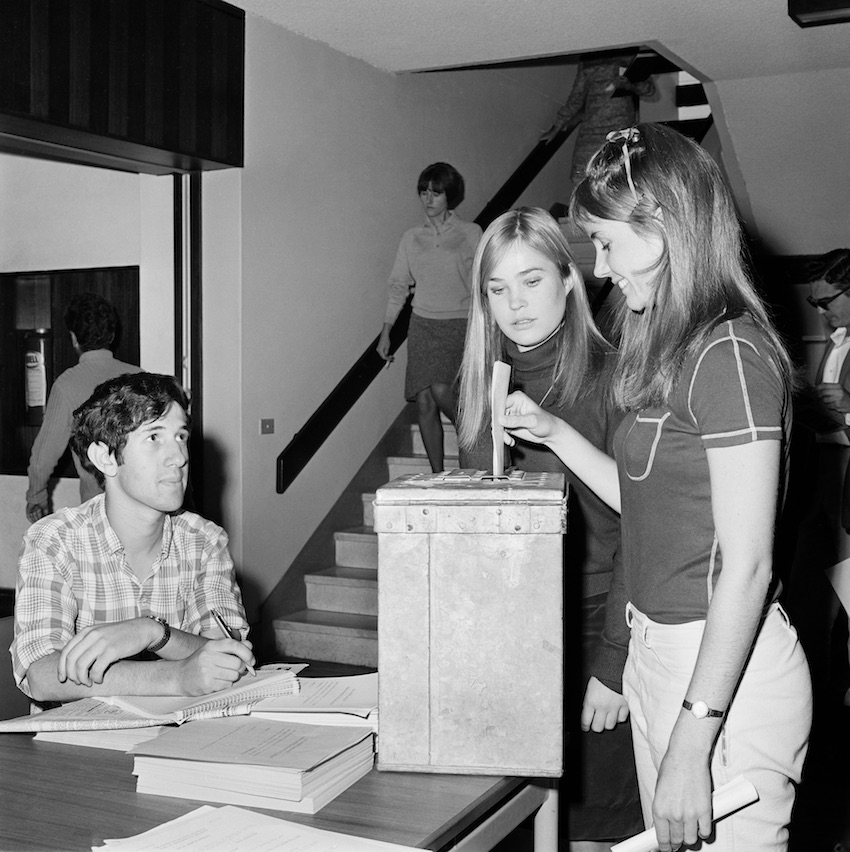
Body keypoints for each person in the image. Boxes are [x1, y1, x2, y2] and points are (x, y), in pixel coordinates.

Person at [499, 124, 812, 851]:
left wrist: (692, 741)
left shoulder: (730, 352)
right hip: (657, 649)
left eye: (607, 243)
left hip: (718, 668)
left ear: (666, 226)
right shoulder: (673, 344)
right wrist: (553, 431)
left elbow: (751, 566)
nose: (600, 269)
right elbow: (640, 502)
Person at [457, 207, 642, 850]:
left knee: (598, 831)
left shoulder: (615, 374)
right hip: (517, 629)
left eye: (532, 281)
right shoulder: (482, 382)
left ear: (569, 279)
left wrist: (615, 664)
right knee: (516, 822)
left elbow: (646, 531)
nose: (515, 304)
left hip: (600, 617)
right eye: (497, 289)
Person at [12, 372, 254, 704]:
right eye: (154, 437)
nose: (180, 457)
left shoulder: (205, 542)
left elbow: (231, 657)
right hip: (78, 748)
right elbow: (41, 675)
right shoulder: (54, 541)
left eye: (180, 436)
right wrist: (177, 677)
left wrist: (152, 633)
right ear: (105, 458)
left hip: (177, 741)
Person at [377, 162, 482, 472]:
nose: (428, 199)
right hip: (422, 324)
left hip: (459, 324)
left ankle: (477, 442)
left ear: (450, 196)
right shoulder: (411, 237)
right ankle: (439, 476)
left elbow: (484, 281)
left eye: (436, 193)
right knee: (423, 401)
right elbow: (399, 286)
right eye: (424, 192)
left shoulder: (471, 232)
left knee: (441, 392)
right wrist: (386, 331)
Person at [25, 291, 143, 523]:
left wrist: (36, 496)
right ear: (112, 335)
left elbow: (43, 457)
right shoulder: (140, 378)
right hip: (146, 508)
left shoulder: (66, 385)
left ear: (73, 338)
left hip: (102, 514)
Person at [539, 50, 656, 187]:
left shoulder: (627, 53)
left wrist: (629, 85)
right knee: (580, 176)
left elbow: (649, 90)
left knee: (615, 175)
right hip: (591, 125)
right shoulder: (588, 57)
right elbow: (576, 97)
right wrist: (557, 127)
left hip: (620, 125)